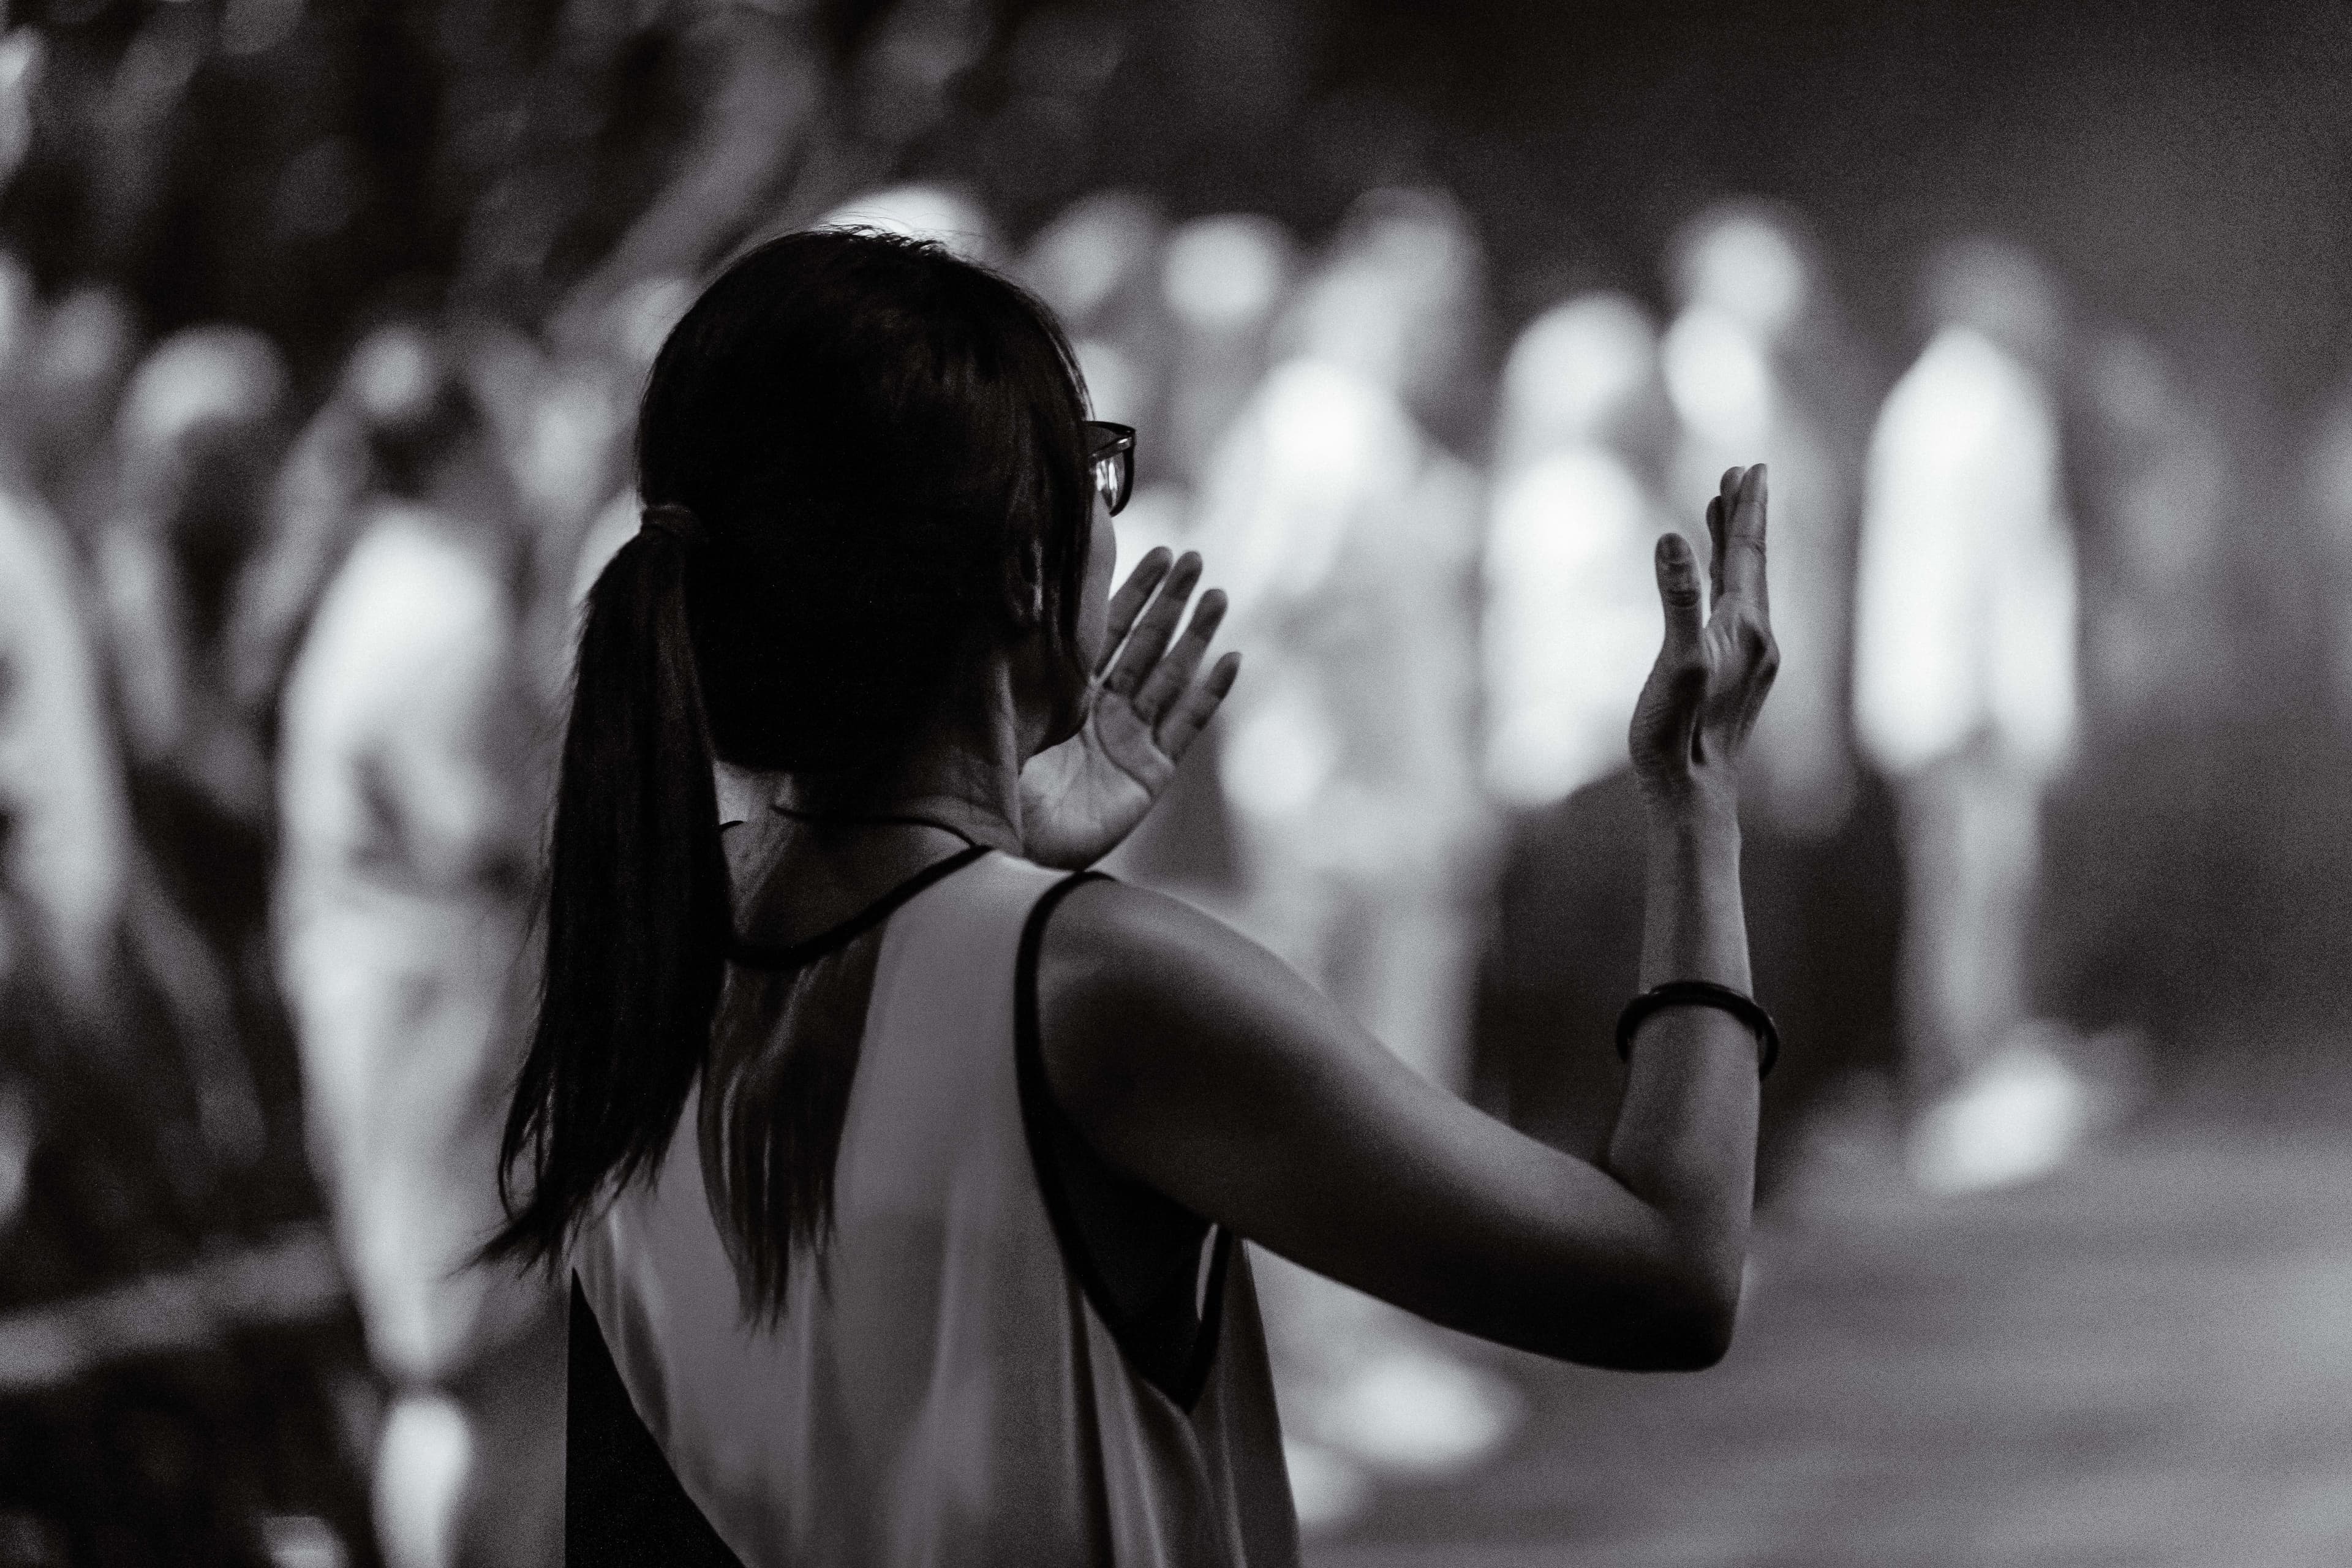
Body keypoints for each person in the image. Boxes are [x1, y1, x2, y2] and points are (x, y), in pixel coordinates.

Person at [484, 227, 1779, 1563]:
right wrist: (1697, 801)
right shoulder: (1102, 988)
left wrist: (992, 867)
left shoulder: (658, 932)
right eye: (1098, 467)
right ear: (1028, 568)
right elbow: (1670, 1276)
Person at [275, 325, 564, 1568]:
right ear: (458, 449)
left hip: (399, 1025)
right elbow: (498, 840)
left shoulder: (387, 583)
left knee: (459, 1363)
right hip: (438, 1038)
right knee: (473, 1369)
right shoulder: (440, 607)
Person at [1853, 237, 2084, 1195]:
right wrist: (1981, 704)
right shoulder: (1971, 406)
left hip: (1958, 703)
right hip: (1963, 707)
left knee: (1973, 900)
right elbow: (1964, 575)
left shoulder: (1956, 401)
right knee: (1967, 902)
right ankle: (1961, 1090)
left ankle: (1972, 1078)